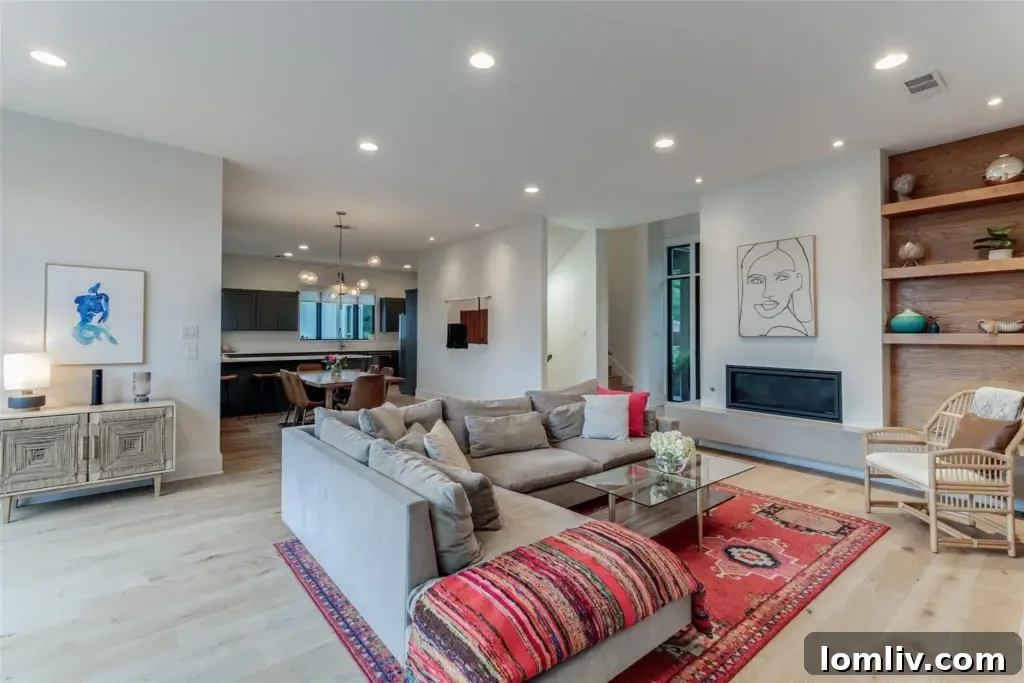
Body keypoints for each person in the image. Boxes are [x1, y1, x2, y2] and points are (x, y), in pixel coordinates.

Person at [739, 238, 814, 336]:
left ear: (798, 281)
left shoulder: (783, 332)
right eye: (756, 280)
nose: (767, 293)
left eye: (781, 278)